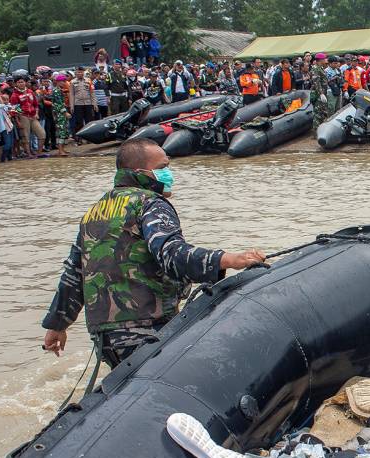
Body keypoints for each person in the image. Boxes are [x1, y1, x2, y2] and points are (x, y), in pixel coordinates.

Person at [41, 139, 266, 368]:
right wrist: (228, 259)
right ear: (141, 172)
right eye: (162, 168)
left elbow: (73, 274)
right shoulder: (149, 203)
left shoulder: (95, 211)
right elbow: (171, 253)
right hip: (147, 328)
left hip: (105, 337)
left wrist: (57, 326)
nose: (168, 173)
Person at [10, 76, 46, 157]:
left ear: (25, 82)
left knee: (42, 134)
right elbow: (14, 110)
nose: (21, 83)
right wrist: (18, 121)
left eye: (22, 82)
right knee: (25, 137)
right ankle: (29, 154)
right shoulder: (14, 95)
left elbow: (36, 104)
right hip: (23, 116)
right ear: (16, 84)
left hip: (33, 116)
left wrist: (36, 113)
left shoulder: (30, 91)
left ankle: (39, 153)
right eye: (19, 82)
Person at [0, 89, 15, 162]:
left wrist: (11, 108)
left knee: (11, 144)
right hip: (3, 127)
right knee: (7, 144)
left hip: (9, 125)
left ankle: (9, 159)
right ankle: (3, 160)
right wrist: (1, 98)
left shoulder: (1, 102)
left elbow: (9, 108)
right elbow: (2, 106)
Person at [50, 74, 71, 157]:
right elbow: (58, 104)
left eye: (64, 81)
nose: (64, 83)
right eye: (62, 81)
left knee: (64, 130)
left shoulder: (59, 90)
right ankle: (60, 150)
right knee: (61, 131)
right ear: (58, 82)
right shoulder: (56, 91)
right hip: (59, 113)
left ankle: (62, 149)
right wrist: (65, 112)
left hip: (60, 113)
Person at [311, 53, 331, 130]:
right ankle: (316, 131)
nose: (326, 60)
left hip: (323, 92)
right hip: (318, 93)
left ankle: (320, 129)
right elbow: (316, 82)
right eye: (324, 59)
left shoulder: (320, 68)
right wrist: (321, 94)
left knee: (322, 112)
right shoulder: (315, 68)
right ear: (321, 60)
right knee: (318, 113)